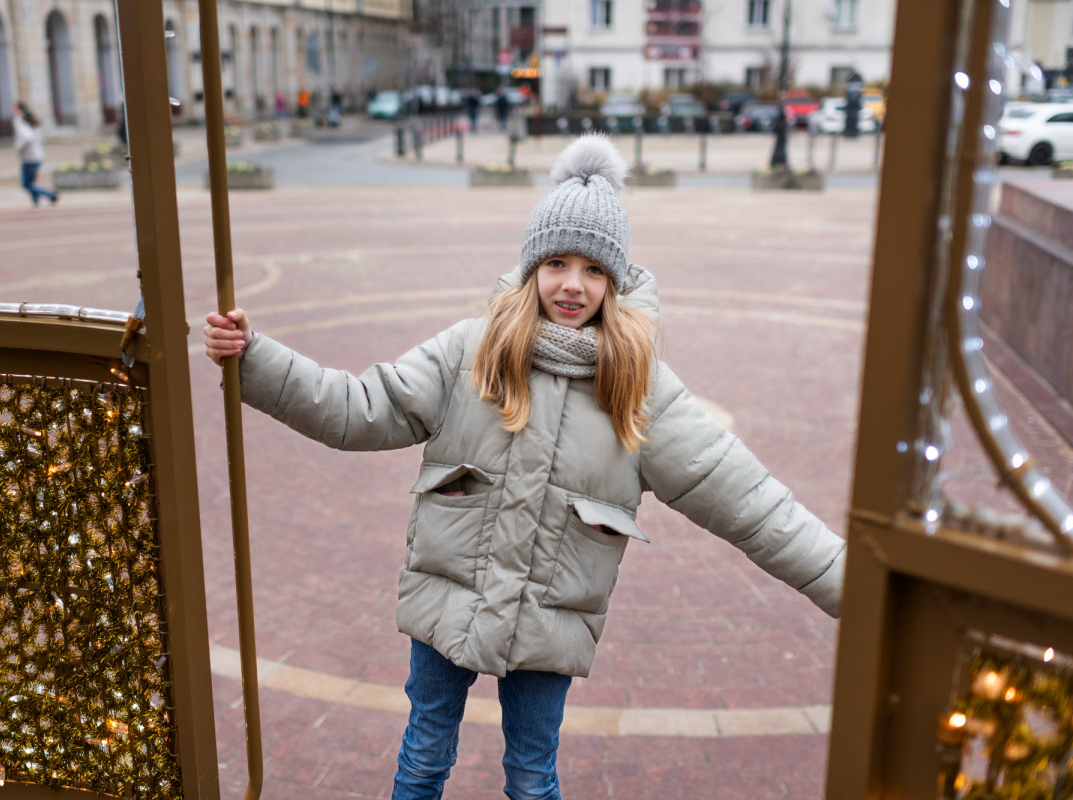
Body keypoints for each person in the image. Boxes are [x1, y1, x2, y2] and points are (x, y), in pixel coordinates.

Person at [203, 134, 845, 800]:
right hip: (448, 601)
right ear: (532, 264)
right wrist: (255, 358)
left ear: (616, 281)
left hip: (548, 624)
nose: (573, 284)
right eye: (558, 262)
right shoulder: (472, 351)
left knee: (533, 777)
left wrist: (853, 588)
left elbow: (753, 504)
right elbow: (357, 409)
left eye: (594, 269)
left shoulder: (638, 386)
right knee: (423, 757)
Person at [11, 101, 58, 207]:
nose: (12, 110)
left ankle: (50, 194)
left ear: (19, 109)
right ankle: (36, 201)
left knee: (26, 184)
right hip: (38, 155)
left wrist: (19, 148)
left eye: (14, 108)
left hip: (29, 157)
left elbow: (27, 138)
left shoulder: (19, 121)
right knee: (31, 182)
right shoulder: (31, 119)